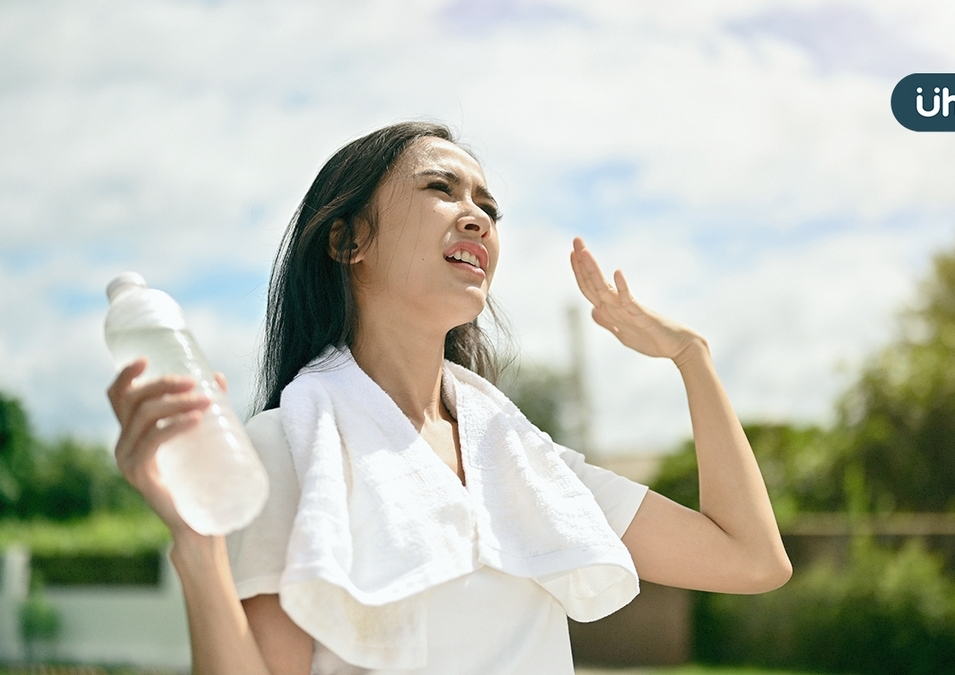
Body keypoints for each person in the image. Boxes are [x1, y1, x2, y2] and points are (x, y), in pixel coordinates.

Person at [107, 121, 791, 675]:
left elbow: (751, 559)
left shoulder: (525, 465)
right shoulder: (291, 449)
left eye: (488, 208)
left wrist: (689, 357)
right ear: (348, 240)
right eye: (442, 188)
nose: (478, 219)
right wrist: (197, 549)